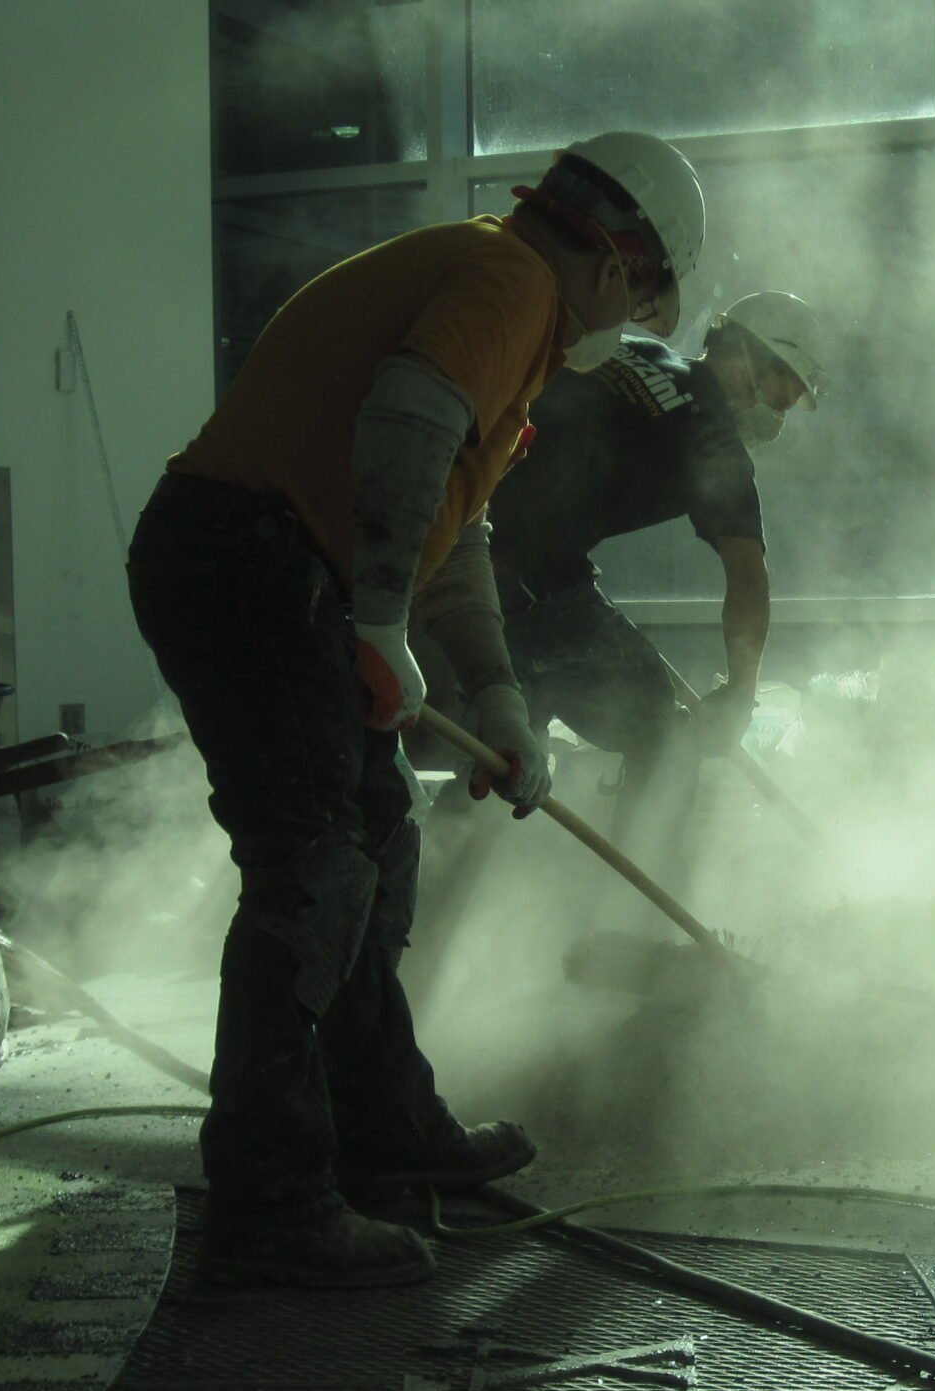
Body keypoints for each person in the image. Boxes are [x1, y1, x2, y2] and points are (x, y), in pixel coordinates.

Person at [125, 131, 706, 1287]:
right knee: (314, 873)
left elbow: (453, 531)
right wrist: (377, 617)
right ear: (611, 263)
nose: (627, 328)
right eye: (640, 300)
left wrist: (498, 694)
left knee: (375, 844)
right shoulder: (509, 282)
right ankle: (272, 1203)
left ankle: (383, 1131)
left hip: (262, 559)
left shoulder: (506, 305)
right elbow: (406, 424)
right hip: (250, 556)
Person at [454, 290, 826, 872]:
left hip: (461, 541)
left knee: (498, 748)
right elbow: (749, 581)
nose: (777, 414)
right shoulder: (714, 439)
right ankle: (641, 907)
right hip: (526, 582)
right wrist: (739, 696)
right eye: (781, 391)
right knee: (663, 729)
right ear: (746, 357)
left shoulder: (636, 351)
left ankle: (440, 879)